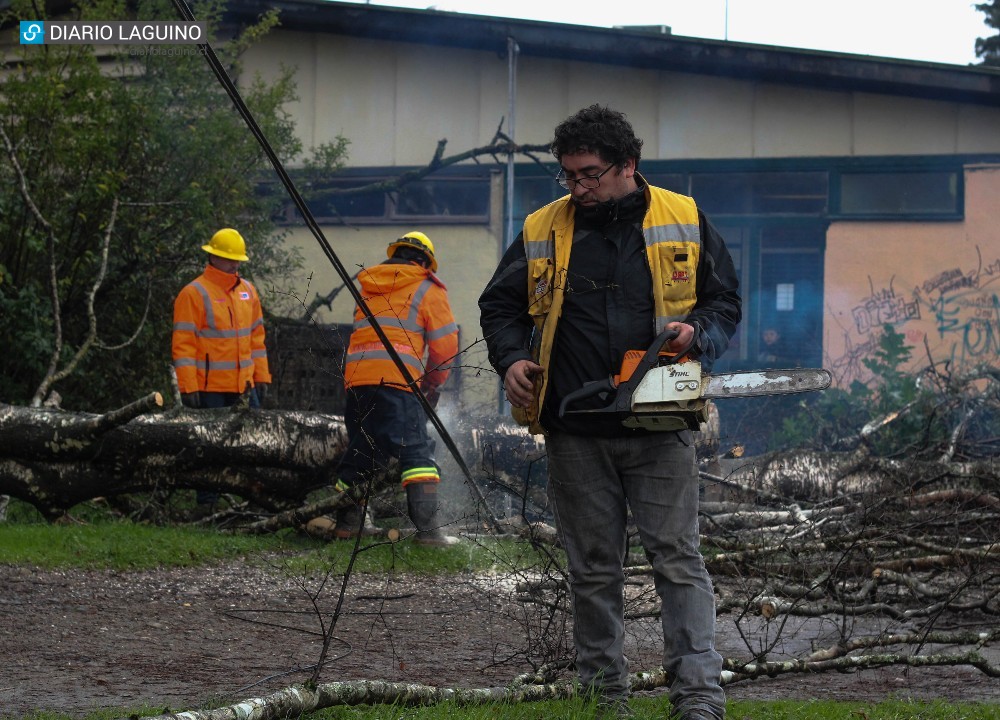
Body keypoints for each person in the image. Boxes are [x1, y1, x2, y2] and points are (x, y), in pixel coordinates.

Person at [479, 105, 741, 719]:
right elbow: (500, 305)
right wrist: (512, 358)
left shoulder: (683, 217)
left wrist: (697, 332)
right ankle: (604, 701)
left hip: (660, 423)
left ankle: (698, 699)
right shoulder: (545, 226)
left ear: (629, 165)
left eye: (591, 175)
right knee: (593, 569)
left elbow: (724, 301)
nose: (579, 188)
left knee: (677, 559)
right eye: (569, 176)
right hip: (575, 427)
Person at [334, 231, 460, 547]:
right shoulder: (427, 287)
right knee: (416, 451)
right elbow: (445, 347)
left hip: (358, 382)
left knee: (363, 450)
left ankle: (347, 525)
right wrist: (432, 383)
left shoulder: (368, 287)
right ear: (423, 261)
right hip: (398, 382)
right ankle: (429, 533)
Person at [172, 228, 272, 507]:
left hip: (244, 385)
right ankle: (207, 506)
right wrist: (188, 385)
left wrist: (262, 376)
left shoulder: (248, 292)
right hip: (209, 387)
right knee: (210, 449)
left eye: (238, 259)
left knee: (255, 444)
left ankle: (255, 504)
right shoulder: (194, 293)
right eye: (230, 259)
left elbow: (257, 339)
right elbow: (183, 343)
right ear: (213, 257)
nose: (235, 264)